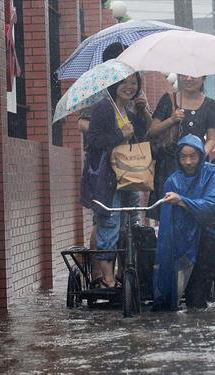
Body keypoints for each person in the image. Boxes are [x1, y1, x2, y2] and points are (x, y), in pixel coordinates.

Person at [153, 135, 215, 311]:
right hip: (191, 252)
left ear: (201, 155)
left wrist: (182, 201)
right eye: (183, 157)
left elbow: (213, 206)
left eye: (193, 156)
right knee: (194, 305)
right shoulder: (173, 181)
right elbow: (168, 224)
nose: (188, 162)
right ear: (177, 158)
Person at [85, 73, 150, 288]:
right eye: (124, 82)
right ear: (114, 83)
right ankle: (108, 279)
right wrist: (119, 134)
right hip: (107, 178)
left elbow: (141, 138)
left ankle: (125, 273)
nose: (129, 87)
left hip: (129, 177)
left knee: (130, 225)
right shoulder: (105, 107)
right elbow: (94, 141)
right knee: (109, 223)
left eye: (134, 83)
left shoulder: (129, 110)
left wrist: (142, 112)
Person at [147, 74, 215, 219]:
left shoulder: (210, 105)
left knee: (194, 209)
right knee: (168, 212)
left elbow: (212, 138)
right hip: (168, 166)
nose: (188, 79)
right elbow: (152, 130)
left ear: (203, 78)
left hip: (196, 168)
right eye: (184, 75)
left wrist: (199, 155)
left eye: (194, 75)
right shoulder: (169, 99)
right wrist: (172, 119)